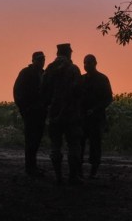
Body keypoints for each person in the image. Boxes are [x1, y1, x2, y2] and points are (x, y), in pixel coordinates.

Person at [41, 43, 83, 185]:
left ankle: (58, 176)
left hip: (54, 113)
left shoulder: (49, 69)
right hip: (71, 114)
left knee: (55, 146)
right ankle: (73, 176)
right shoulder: (73, 69)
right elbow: (78, 92)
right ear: (68, 53)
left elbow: (43, 91)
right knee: (73, 146)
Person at [13, 51, 47, 177]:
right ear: (33, 60)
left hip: (40, 113)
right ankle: (30, 168)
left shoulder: (44, 74)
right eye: (39, 59)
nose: (41, 61)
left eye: (43, 59)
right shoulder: (25, 73)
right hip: (31, 112)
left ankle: (33, 167)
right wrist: (25, 109)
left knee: (36, 140)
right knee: (31, 141)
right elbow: (17, 92)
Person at [80, 54, 113, 179]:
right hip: (83, 119)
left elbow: (108, 98)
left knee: (95, 146)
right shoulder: (81, 79)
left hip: (96, 119)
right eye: (85, 63)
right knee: (80, 145)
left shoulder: (102, 79)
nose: (86, 65)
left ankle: (93, 171)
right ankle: (80, 170)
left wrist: (95, 110)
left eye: (88, 63)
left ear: (95, 63)